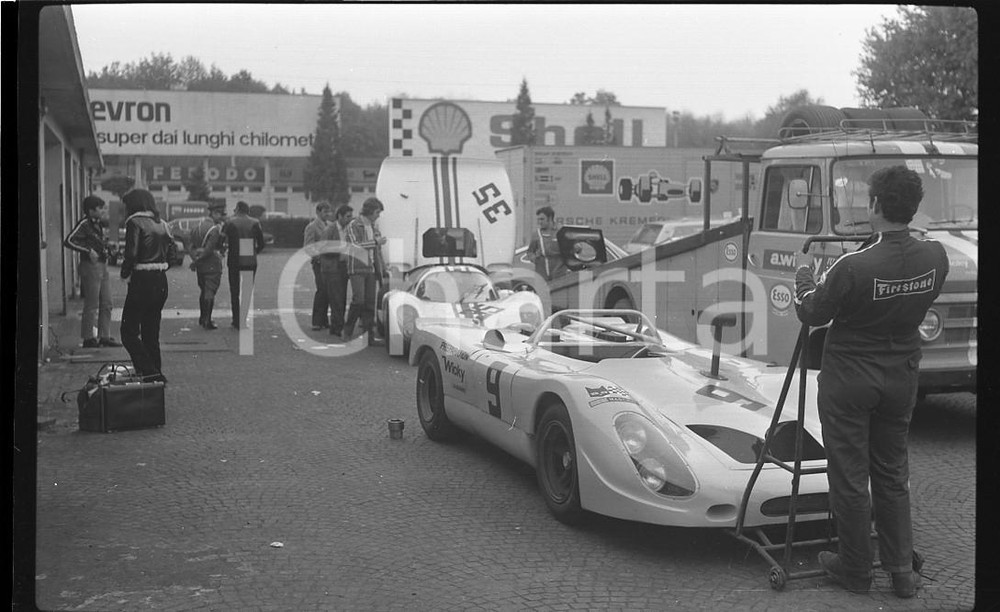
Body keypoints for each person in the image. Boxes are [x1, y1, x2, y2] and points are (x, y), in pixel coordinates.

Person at [793, 166, 948, 599]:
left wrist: (804, 276)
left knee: (849, 474)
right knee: (893, 472)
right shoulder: (935, 255)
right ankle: (901, 572)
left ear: (876, 204)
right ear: (913, 207)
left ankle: (856, 569)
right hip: (901, 376)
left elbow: (812, 311)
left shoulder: (853, 265)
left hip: (850, 379)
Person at [119, 189, 178, 383]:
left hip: (141, 280)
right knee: (151, 332)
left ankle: (150, 372)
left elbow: (131, 254)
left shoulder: (134, 222)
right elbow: (172, 254)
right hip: (160, 281)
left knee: (128, 332)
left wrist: (125, 274)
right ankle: (154, 375)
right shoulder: (163, 224)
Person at [64, 195, 120, 348]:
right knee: (92, 303)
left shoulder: (98, 224)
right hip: (90, 266)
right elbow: (69, 240)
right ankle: (88, 338)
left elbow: (96, 242)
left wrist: (108, 246)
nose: (103, 211)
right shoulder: (84, 224)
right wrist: (88, 250)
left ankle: (104, 336)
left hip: (102, 265)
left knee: (107, 302)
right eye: (100, 208)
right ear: (91, 210)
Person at [343, 197, 387, 344]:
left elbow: (377, 251)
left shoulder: (373, 227)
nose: (378, 216)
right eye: (377, 212)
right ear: (370, 211)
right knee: (359, 300)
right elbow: (355, 246)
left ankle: (369, 336)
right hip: (357, 268)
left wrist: (382, 267)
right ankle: (347, 330)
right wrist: (375, 242)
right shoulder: (353, 225)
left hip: (371, 269)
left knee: (369, 303)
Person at [223, 201, 266, 330]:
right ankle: (243, 320)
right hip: (249, 259)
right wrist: (254, 251)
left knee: (234, 291)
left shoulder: (229, 222)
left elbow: (221, 240)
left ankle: (236, 321)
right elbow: (261, 243)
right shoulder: (255, 222)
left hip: (234, 258)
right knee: (247, 292)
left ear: (237, 209)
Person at [188, 202, 228, 330]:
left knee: (203, 291)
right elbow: (209, 249)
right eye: (220, 214)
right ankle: (207, 321)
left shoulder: (196, 226)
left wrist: (195, 259)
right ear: (214, 213)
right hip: (212, 264)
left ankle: (202, 317)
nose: (221, 217)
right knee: (210, 292)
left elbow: (190, 246)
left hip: (200, 266)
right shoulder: (214, 229)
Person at [319, 204, 354, 337]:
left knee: (341, 297)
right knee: (336, 298)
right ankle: (337, 326)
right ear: (339, 216)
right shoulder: (330, 230)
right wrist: (339, 251)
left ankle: (336, 326)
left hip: (344, 267)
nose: (350, 219)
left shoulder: (348, 229)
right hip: (332, 268)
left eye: (351, 217)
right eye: (347, 217)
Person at [303, 201, 332, 330]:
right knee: (321, 290)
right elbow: (308, 246)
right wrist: (318, 257)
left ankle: (324, 320)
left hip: (330, 263)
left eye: (329, 211)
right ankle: (317, 321)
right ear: (318, 212)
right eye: (325, 212)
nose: (328, 214)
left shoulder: (330, 225)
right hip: (319, 263)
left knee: (328, 291)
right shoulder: (312, 227)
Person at [526, 206, 564, 281]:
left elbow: (572, 248)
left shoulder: (561, 231)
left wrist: (576, 248)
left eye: (542, 219)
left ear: (550, 218)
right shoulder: (536, 234)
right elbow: (530, 252)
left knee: (558, 288)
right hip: (542, 273)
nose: (540, 222)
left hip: (559, 272)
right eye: (538, 219)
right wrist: (533, 258)